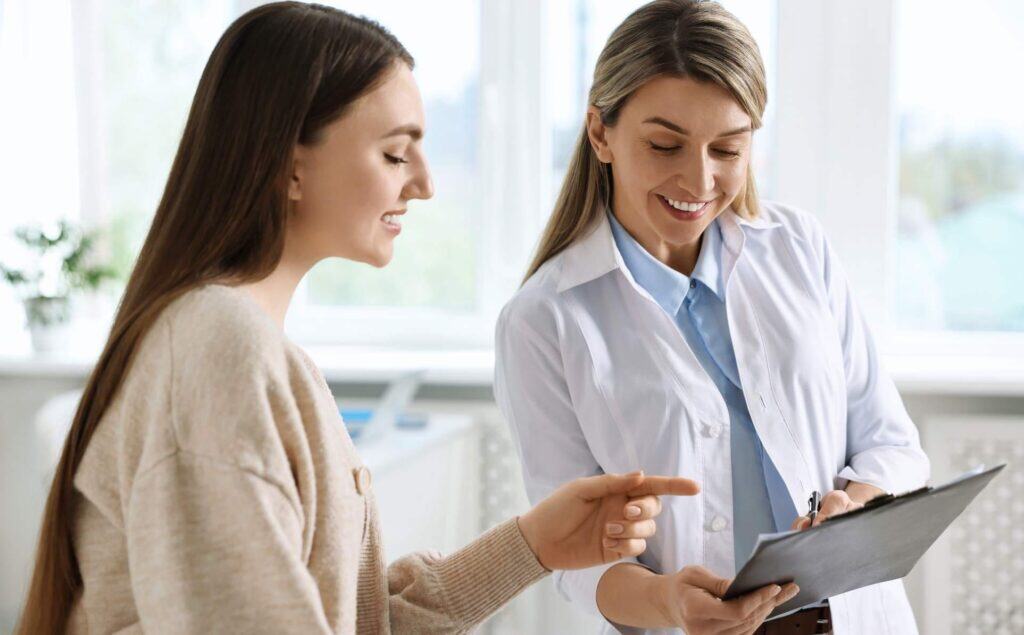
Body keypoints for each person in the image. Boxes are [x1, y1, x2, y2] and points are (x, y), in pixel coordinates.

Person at [15, 4, 703, 633]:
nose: (426, 182)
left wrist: (534, 545)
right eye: (395, 152)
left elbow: (352, 617)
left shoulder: (249, 346)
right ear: (290, 167)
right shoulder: (218, 348)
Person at [494, 1, 929, 634]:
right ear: (600, 133)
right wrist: (667, 600)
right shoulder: (543, 321)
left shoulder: (798, 248)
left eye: (727, 148)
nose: (698, 179)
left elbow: (893, 444)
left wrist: (853, 507)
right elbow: (572, 557)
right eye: (664, 144)